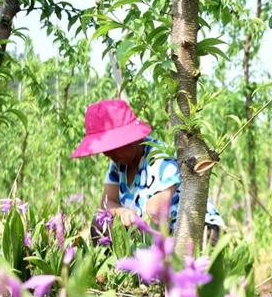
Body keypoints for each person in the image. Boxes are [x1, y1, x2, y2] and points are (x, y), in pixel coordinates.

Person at [71, 99, 224, 241]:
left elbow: (153, 216)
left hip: (197, 230)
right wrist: (121, 212)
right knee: (100, 223)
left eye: (114, 147)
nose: (108, 153)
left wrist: (131, 222)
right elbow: (107, 203)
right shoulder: (118, 163)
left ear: (134, 138)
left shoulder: (159, 159)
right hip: (150, 233)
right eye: (106, 149)